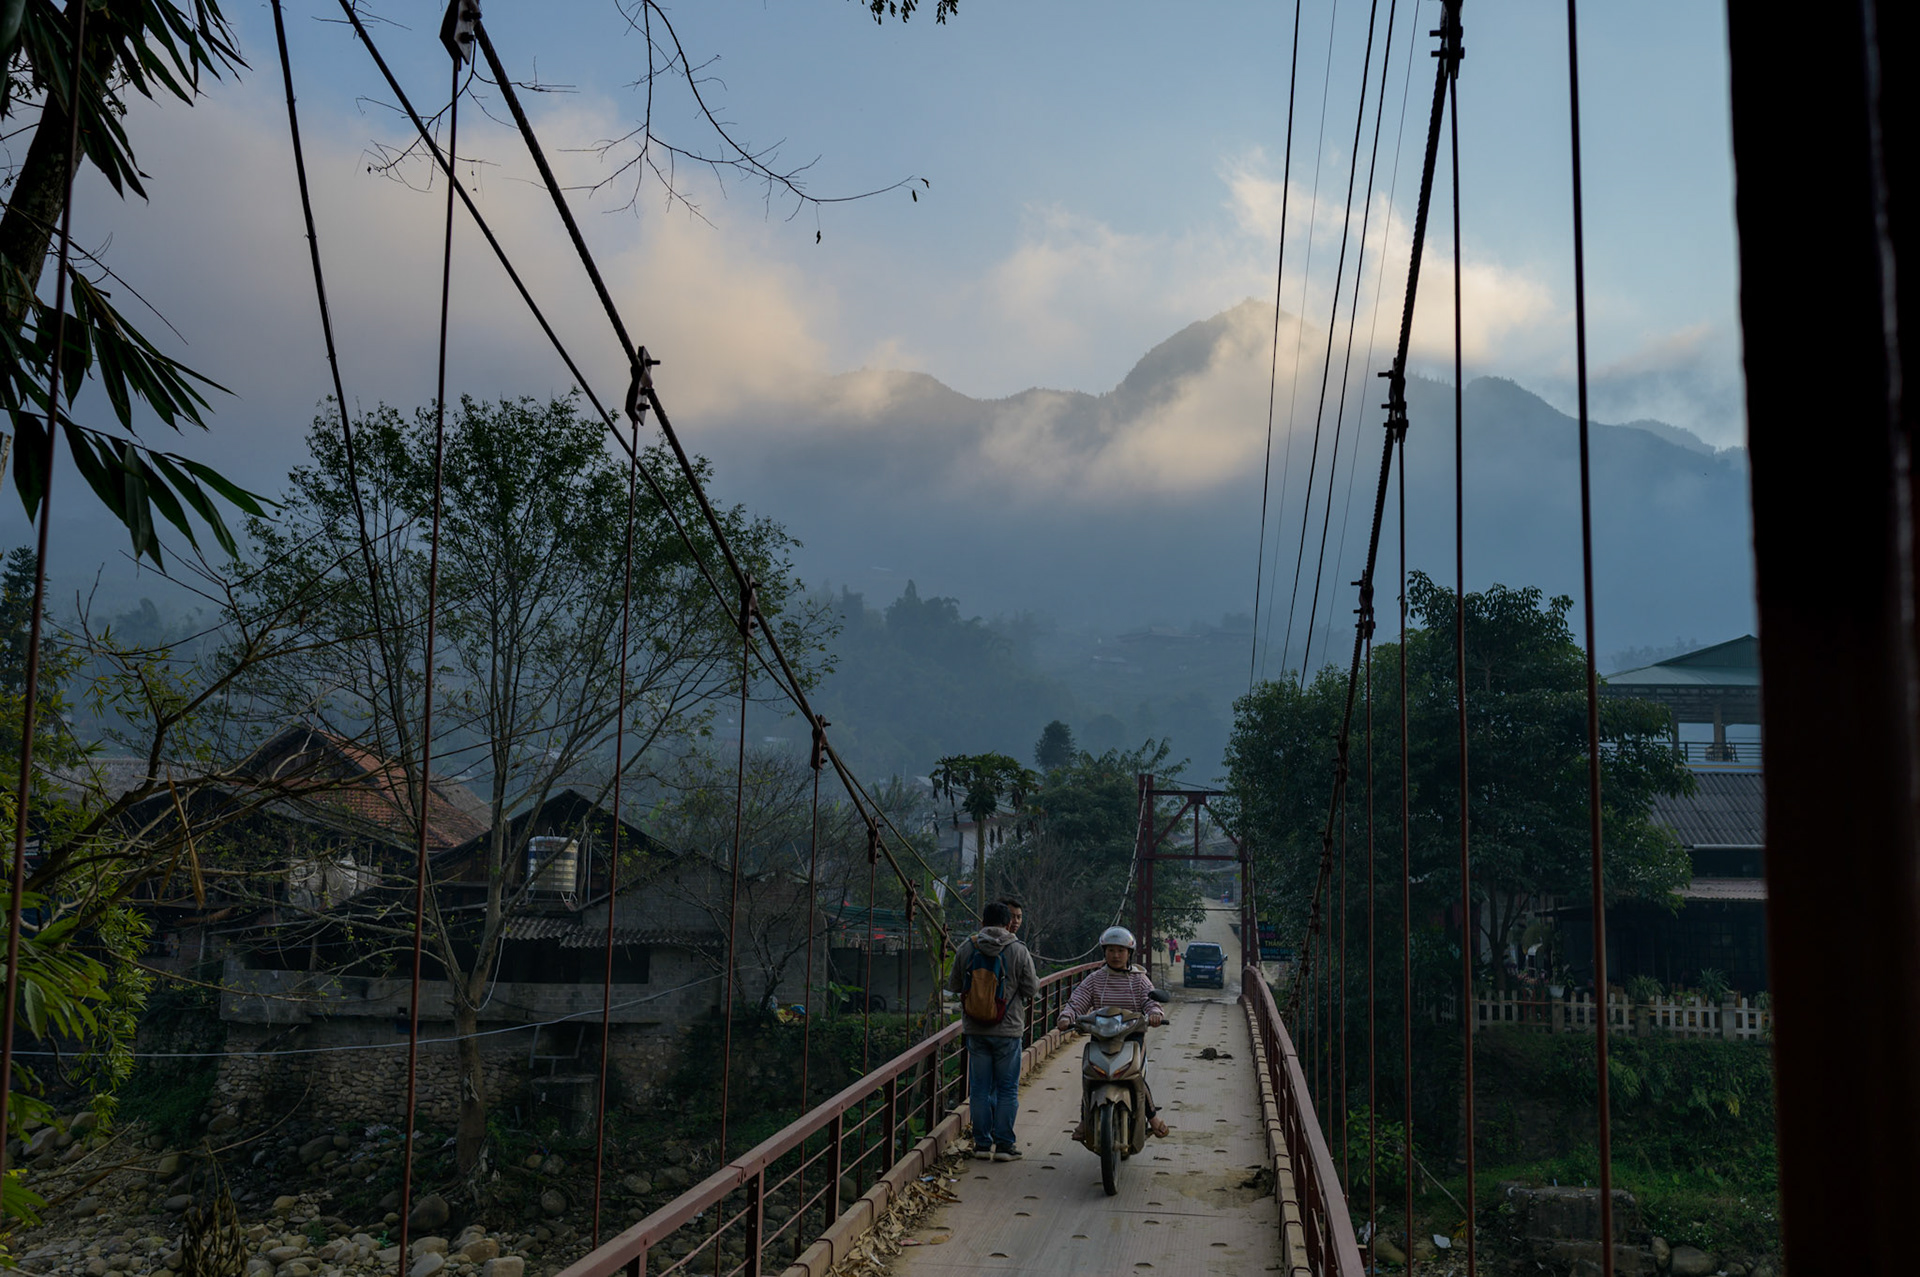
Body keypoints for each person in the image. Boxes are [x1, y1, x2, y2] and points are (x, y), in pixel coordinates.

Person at [1058, 926, 1170, 1138]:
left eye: (1121, 951)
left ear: (1129, 953)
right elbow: (1078, 1000)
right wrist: (1067, 1016)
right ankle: (1084, 1119)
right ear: (1104, 952)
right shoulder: (1095, 979)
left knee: (1135, 1075)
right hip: (1101, 1037)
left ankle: (1152, 1117)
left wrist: (1155, 1013)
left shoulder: (1139, 979)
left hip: (1132, 1038)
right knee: (1089, 1075)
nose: (1116, 955)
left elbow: (1150, 1001)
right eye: (1110, 950)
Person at [948, 900, 1039, 1161]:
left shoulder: (968, 946)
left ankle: (981, 1145)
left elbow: (954, 984)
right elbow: (1031, 989)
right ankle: (1004, 1146)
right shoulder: (1018, 949)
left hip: (975, 1029)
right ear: (1007, 923)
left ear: (982, 921)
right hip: (1008, 1031)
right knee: (1008, 1089)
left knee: (979, 1089)